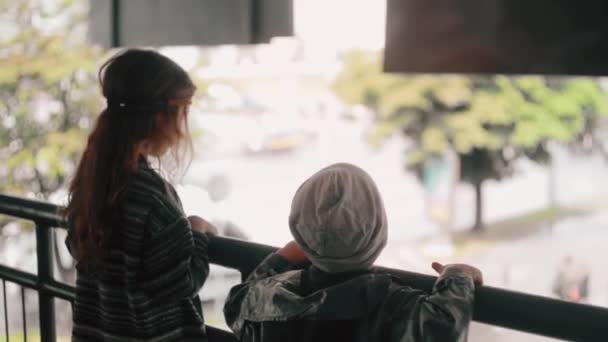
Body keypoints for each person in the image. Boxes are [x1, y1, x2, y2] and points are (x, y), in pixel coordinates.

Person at [224, 163, 482, 342]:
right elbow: (444, 328)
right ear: (377, 230)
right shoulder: (393, 305)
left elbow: (236, 305)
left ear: (299, 231)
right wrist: (457, 276)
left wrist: (281, 258)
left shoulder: (268, 300)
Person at [64, 49, 217, 341]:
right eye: (184, 110)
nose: (185, 126)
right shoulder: (152, 198)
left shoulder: (92, 183)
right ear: (161, 117)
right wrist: (196, 233)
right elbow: (181, 283)